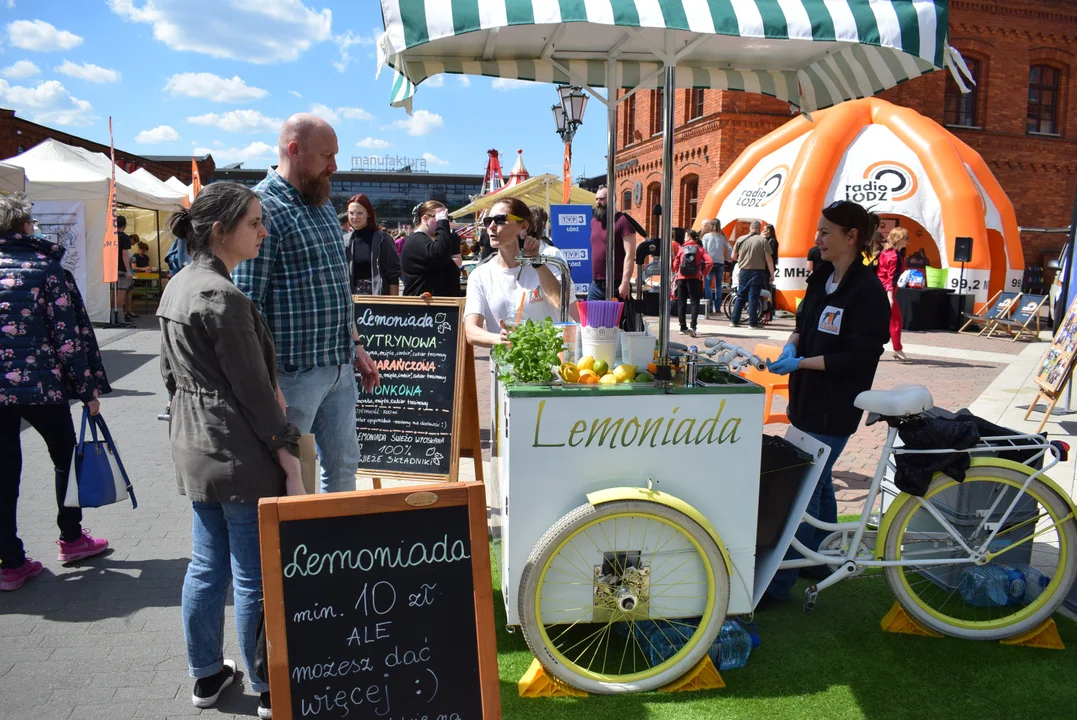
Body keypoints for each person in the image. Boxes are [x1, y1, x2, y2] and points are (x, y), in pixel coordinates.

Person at [159, 182, 304, 717]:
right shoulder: (222, 295)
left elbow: (170, 376)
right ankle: (269, 688)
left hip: (195, 444)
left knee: (206, 564)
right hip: (237, 450)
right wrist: (287, 457)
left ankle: (205, 674)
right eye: (253, 223)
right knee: (253, 573)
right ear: (221, 231)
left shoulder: (179, 285)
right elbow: (255, 393)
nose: (263, 231)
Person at [232, 113, 379, 495]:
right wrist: (267, 382)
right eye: (326, 156)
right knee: (291, 475)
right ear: (294, 151)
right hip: (292, 375)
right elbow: (248, 304)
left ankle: (335, 547)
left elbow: (337, 290)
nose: (334, 165)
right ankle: (298, 551)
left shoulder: (321, 203)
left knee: (345, 464)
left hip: (338, 365)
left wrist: (357, 346)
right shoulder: (261, 209)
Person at [759, 199, 890, 608]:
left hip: (834, 406)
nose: (817, 238)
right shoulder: (821, 278)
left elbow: (860, 356)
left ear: (851, 237)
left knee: (804, 488)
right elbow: (803, 323)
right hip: (806, 399)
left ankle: (781, 581)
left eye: (825, 232)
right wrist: (790, 348)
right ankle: (823, 559)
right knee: (820, 477)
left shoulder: (868, 291)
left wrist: (804, 363)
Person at [0, 193, 111, 592]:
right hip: (40, 386)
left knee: (3, 472)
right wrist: (88, 390)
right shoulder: (47, 270)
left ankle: (9, 561)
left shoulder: (48, 268)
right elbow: (69, 337)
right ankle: (72, 537)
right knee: (66, 457)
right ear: (24, 226)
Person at [464, 199, 576, 347]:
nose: (491, 226)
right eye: (488, 221)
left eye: (500, 220)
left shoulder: (549, 258)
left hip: (549, 363)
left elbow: (560, 302)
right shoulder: (480, 275)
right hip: (505, 366)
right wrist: (501, 339)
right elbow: (471, 331)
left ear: (524, 226)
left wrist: (537, 263)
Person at [343, 193, 400, 296]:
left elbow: (393, 274)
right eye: (351, 213)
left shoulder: (383, 239)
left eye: (359, 213)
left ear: (368, 214)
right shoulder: (345, 240)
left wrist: (393, 304)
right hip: (351, 299)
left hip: (377, 298)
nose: (354, 217)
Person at [400, 200, 461, 297]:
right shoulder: (415, 240)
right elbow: (440, 254)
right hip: (423, 308)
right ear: (424, 219)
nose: (445, 222)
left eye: (446, 218)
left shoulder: (430, 241)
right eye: (440, 218)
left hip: (440, 307)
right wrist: (442, 226)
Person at [588, 187, 637, 301]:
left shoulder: (623, 221)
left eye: (602, 199)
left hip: (617, 284)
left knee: (616, 319)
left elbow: (630, 254)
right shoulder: (594, 222)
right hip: (596, 285)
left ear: (612, 199)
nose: (598, 202)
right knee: (591, 318)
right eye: (596, 199)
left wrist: (625, 282)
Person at [729, 220, 774, 328]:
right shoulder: (762, 240)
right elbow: (769, 259)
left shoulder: (740, 239)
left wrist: (742, 258)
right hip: (757, 271)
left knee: (741, 296)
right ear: (759, 229)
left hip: (743, 270)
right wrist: (772, 274)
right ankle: (752, 323)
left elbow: (733, 257)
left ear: (750, 228)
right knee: (753, 297)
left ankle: (734, 321)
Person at [673, 230, 713, 338]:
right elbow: (710, 262)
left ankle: (682, 327)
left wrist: (678, 271)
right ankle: (693, 326)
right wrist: (703, 273)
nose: (684, 238)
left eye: (686, 236)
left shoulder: (682, 249)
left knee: (681, 303)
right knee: (694, 302)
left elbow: (675, 263)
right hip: (695, 278)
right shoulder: (700, 249)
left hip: (682, 278)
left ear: (690, 237)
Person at [878, 227, 909, 362]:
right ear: (900, 239)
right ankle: (897, 349)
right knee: (895, 321)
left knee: (879, 320)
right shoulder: (895, 255)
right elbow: (891, 277)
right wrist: (890, 296)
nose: (908, 241)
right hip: (886, 291)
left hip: (879, 288)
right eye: (906, 238)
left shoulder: (885, 252)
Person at [701, 218, 730, 315]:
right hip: (720, 262)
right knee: (718, 286)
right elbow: (730, 248)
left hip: (709, 262)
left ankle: (709, 307)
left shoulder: (706, 236)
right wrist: (727, 258)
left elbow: (703, 250)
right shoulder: (722, 237)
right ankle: (718, 307)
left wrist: (703, 260)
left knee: (707, 285)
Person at [115, 215, 134, 322]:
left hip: (111, 267)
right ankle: (119, 315)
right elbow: (124, 255)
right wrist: (128, 270)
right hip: (121, 267)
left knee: (113, 291)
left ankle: (112, 313)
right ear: (125, 225)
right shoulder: (125, 238)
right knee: (121, 291)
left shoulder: (110, 236)